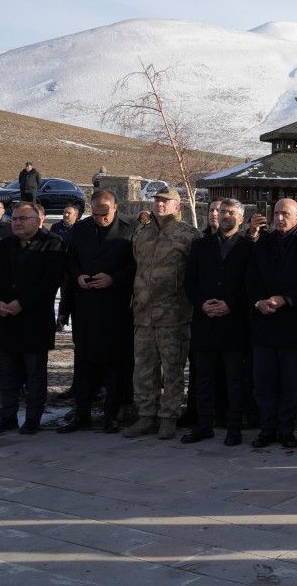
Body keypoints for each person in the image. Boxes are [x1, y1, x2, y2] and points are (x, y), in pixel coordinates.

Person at [245, 198, 297, 448]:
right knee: (264, 383)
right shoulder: (262, 244)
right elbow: (250, 278)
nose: (280, 218)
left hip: (294, 326)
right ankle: (267, 428)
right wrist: (259, 301)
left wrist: (286, 299)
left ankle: (286, 429)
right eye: (277, 213)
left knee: (291, 385)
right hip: (265, 325)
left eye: (286, 214)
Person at [57, 189, 137, 434]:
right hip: (86, 306)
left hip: (117, 307)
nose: (101, 219)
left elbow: (137, 265)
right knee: (84, 363)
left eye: (105, 214)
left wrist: (113, 279)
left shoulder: (131, 229)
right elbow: (70, 262)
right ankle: (82, 413)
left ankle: (111, 415)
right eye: (96, 214)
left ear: (115, 208)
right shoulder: (80, 229)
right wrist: (78, 277)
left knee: (115, 365)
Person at [123, 187, 200, 440]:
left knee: (173, 370)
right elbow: (136, 265)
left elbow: (197, 273)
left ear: (178, 206)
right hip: (143, 314)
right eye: (157, 200)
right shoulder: (142, 233)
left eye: (166, 201)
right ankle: (146, 416)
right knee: (144, 369)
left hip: (174, 315)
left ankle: (169, 417)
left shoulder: (188, 235)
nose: (160, 204)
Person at [0, 202, 65, 435]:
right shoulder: (3, 246)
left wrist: (22, 303)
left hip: (35, 320)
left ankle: (32, 418)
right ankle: (7, 416)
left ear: (38, 221)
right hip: (6, 319)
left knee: (35, 374)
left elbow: (50, 282)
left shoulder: (52, 244)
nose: (17, 223)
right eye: (15, 219)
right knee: (6, 374)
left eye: (23, 219)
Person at [182, 198, 254, 446]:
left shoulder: (248, 248)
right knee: (203, 379)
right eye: (222, 211)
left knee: (234, 380)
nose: (225, 215)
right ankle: (204, 425)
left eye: (231, 212)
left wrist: (230, 304)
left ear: (241, 218)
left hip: (233, 325)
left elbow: (251, 285)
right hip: (204, 322)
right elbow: (190, 281)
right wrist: (202, 303)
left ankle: (233, 427)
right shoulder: (201, 245)